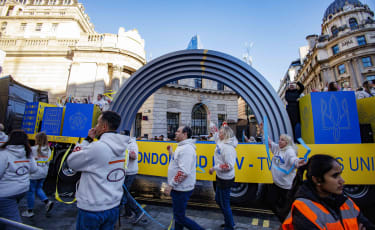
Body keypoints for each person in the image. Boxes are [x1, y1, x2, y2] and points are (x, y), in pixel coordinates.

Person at [67, 111, 130, 230]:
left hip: (93, 208)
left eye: (97, 123)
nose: (95, 127)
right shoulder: (122, 147)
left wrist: (87, 140)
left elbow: (72, 162)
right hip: (113, 206)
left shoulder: (97, 147)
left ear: (104, 126)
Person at [282, 154, 375, 230]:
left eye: (340, 175)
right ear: (317, 180)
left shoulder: (346, 202)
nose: (342, 181)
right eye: (335, 176)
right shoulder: (303, 208)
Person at [164, 126, 204, 230]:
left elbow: (183, 171)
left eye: (178, 131)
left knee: (179, 217)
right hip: (179, 188)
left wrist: (170, 185)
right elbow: (178, 161)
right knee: (178, 216)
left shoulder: (187, 149)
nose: (175, 133)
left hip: (181, 189)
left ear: (185, 134)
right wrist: (171, 153)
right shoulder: (182, 146)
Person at [0, 130, 39, 229]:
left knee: (12, 222)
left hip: (5, 193)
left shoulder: (4, 154)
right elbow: (34, 169)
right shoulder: (28, 153)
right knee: (6, 216)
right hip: (22, 190)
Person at [266, 134, 306, 222]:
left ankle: (288, 222)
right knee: (271, 203)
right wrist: (262, 131)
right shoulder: (278, 148)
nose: (279, 141)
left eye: (282, 140)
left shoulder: (289, 151)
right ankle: (283, 219)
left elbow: (293, 159)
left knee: (287, 208)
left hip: (286, 187)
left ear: (287, 142)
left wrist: (297, 162)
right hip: (276, 184)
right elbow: (269, 142)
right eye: (279, 139)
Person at [209, 125, 238, 230]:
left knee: (224, 204)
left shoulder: (228, 148)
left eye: (221, 132)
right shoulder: (221, 142)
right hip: (220, 177)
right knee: (218, 200)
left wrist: (214, 168)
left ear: (225, 134)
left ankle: (230, 225)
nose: (219, 134)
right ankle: (228, 222)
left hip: (226, 179)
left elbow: (229, 166)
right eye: (220, 132)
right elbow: (215, 132)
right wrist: (210, 119)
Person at [22, 132, 54, 218]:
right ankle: (47, 202)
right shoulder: (48, 149)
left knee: (31, 191)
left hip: (34, 173)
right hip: (44, 172)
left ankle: (30, 210)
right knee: (38, 188)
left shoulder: (33, 149)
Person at [121, 132, 144, 224]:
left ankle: (138, 211)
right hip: (126, 171)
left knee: (124, 193)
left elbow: (134, 156)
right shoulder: (125, 143)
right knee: (124, 192)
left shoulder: (132, 144)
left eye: (122, 135)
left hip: (130, 172)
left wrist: (125, 152)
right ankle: (128, 213)